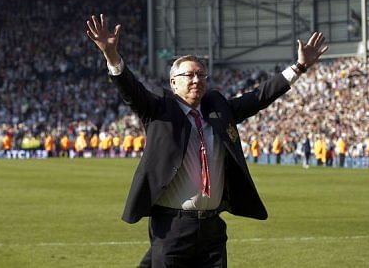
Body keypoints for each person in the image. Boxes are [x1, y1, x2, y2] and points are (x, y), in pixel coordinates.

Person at [86, 14, 327, 267]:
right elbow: (130, 90)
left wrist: (299, 67)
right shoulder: (159, 108)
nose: (196, 80)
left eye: (201, 75)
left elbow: (259, 97)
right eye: (189, 75)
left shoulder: (218, 109)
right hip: (172, 227)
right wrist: (111, 55)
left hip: (212, 229)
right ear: (173, 82)